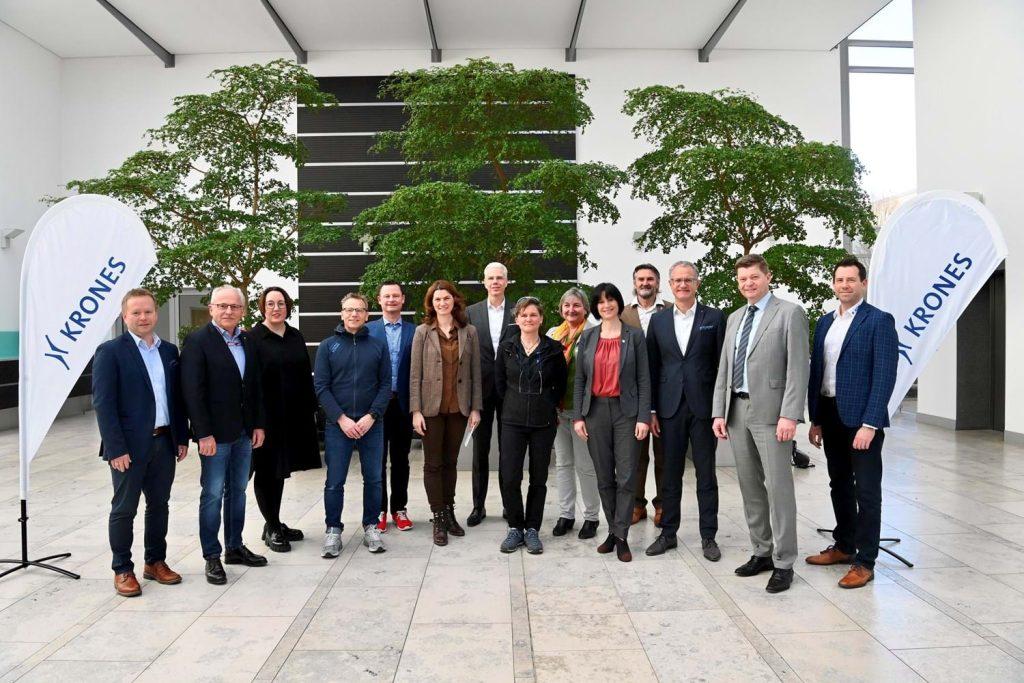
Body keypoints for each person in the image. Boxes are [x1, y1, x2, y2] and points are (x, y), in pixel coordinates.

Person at [712, 254, 809, 594]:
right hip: (737, 411)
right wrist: (718, 412)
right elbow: (725, 367)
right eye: (742, 279)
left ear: (768, 276)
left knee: (779, 488)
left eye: (754, 277)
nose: (748, 284)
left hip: (772, 414)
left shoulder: (789, 313)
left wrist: (789, 414)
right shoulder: (734, 318)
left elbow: (798, 368)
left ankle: (784, 562)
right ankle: (761, 551)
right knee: (750, 486)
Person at [806, 256, 898, 589]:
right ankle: (844, 546)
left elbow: (885, 376)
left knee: (867, 491)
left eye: (851, 280)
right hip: (830, 414)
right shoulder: (825, 322)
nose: (845, 285)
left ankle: (865, 561)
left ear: (863, 283)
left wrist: (870, 424)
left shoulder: (879, 321)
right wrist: (815, 418)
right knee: (839, 484)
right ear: (833, 284)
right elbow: (818, 372)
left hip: (862, 420)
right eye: (839, 280)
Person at [92, 288, 190, 597]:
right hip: (128, 449)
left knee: (159, 506)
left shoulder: (169, 351)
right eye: (136, 312)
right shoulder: (110, 352)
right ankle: (122, 569)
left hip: (164, 443)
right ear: (124, 316)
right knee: (124, 509)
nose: (143, 317)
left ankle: (155, 562)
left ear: (156, 314)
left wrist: (181, 437)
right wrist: (116, 448)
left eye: (148, 311)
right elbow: (103, 404)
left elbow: (176, 399)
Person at [181, 285, 267, 585]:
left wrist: (258, 424)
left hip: (244, 432)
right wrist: (202, 434)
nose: (228, 311)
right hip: (214, 436)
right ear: (212, 309)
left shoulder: (247, 340)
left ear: (242, 310)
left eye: (234, 306)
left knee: (238, 492)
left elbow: (254, 386)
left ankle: (234, 547)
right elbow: (193, 392)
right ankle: (212, 556)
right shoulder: (197, 342)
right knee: (213, 494)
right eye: (222, 306)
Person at [645, 262, 726, 561]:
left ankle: (709, 536)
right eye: (677, 280)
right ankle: (668, 533)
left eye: (688, 280)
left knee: (706, 474)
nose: (682, 285)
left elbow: (722, 366)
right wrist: (652, 409)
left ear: (697, 283)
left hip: (704, 407)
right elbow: (652, 367)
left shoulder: (714, 318)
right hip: (668, 408)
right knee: (670, 474)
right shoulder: (659, 321)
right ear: (669, 284)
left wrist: (720, 409)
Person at [573, 283, 651, 563]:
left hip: (626, 412)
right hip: (595, 411)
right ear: (595, 306)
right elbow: (580, 378)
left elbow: (644, 378)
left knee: (627, 475)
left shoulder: (635, 336)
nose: (606, 305)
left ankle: (621, 537)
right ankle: (613, 531)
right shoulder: (589, 336)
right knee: (604, 476)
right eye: (601, 301)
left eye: (611, 300)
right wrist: (578, 416)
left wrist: (644, 416)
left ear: (618, 303)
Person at [313, 292, 392, 557]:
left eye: (359, 310)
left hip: (373, 424)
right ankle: (333, 530)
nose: (354, 314)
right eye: (349, 310)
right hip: (339, 426)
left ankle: (371, 526)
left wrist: (372, 416)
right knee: (335, 481)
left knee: (374, 479)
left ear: (367, 315)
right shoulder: (327, 346)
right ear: (341, 313)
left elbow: (385, 386)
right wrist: (342, 419)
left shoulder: (378, 346)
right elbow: (321, 387)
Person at [409, 280, 483, 546]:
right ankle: (438, 517)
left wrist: (475, 407)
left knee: (451, 463)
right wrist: (415, 410)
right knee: (433, 463)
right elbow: (414, 373)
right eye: (437, 299)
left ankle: (450, 512)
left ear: (454, 301)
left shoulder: (469, 331)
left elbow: (475, 373)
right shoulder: (422, 332)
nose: (442, 303)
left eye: (446, 298)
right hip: (430, 408)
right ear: (432, 303)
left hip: (459, 408)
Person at [250, 287, 321, 553]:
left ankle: (275, 522)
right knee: (266, 471)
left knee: (280, 471)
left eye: (281, 303)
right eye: (270, 303)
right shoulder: (254, 338)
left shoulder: (295, 335)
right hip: (266, 420)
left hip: (293, 416)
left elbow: (304, 375)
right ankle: (272, 527)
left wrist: (312, 411)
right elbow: (251, 383)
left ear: (288, 307)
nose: (276, 308)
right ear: (263, 307)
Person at [496, 297, 567, 555]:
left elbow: (560, 382)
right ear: (517, 319)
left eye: (533, 315)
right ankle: (515, 527)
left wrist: (547, 402)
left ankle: (532, 529)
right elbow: (500, 383)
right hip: (512, 421)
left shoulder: (553, 349)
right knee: (511, 476)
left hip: (543, 422)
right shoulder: (506, 348)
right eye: (524, 315)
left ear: (541, 319)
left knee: (539, 477)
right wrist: (512, 405)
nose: (528, 319)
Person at [546, 287, 601, 540]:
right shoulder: (552, 335)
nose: (571, 310)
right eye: (566, 306)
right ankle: (566, 514)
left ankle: (591, 517)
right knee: (563, 464)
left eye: (576, 305)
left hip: (584, 413)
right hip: (558, 412)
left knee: (586, 466)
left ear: (586, 308)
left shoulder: (594, 333)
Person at [620, 263, 671, 526]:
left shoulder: (672, 309)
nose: (645, 283)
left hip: (665, 391)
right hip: (633, 393)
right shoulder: (623, 313)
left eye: (650, 278)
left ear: (657, 282)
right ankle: (636, 505)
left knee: (663, 453)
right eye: (640, 279)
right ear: (634, 282)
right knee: (635, 455)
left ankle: (662, 505)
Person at [465, 262, 515, 526]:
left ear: (507, 282)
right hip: (481, 392)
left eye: (500, 278)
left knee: (507, 451)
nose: (495, 282)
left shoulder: (518, 311)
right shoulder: (471, 313)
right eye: (490, 278)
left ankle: (509, 506)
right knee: (479, 452)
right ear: (483, 282)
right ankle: (478, 506)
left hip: (509, 390)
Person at [366, 281, 418, 533]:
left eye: (395, 296)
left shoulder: (415, 331)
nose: (391, 300)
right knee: (376, 460)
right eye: (387, 296)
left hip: (404, 404)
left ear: (403, 300)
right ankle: (379, 510)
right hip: (376, 405)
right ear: (379, 300)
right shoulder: (367, 330)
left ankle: (399, 508)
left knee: (401, 460)